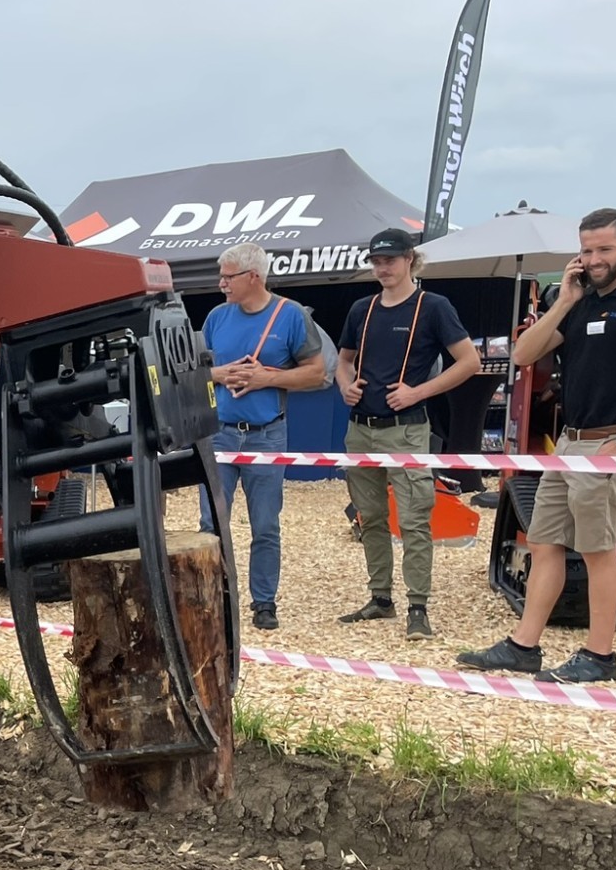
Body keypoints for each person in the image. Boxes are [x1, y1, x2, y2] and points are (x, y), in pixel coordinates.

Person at [457, 208, 616, 684]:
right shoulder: (576, 301)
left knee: (598, 550)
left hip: (611, 440)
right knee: (544, 540)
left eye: (604, 249)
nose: (595, 258)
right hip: (570, 441)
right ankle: (524, 645)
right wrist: (561, 301)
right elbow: (521, 354)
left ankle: (600, 656)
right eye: (587, 250)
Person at [335, 228, 482, 639]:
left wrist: (419, 391)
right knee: (371, 517)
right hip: (361, 428)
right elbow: (342, 362)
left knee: (415, 519)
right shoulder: (361, 309)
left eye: (391, 260)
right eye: (377, 261)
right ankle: (380, 597)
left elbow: (468, 362)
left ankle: (418, 605)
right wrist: (345, 386)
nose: (383, 267)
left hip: (407, 430)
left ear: (410, 260)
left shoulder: (433, 306)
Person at [200, 242, 329, 631]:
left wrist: (267, 379)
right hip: (219, 435)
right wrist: (219, 375)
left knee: (266, 525)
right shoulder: (216, 317)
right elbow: (193, 373)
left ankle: (264, 603)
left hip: (266, 435)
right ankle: (213, 599)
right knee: (210, 524)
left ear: (253, 277)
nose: (221, 283)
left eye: (228, 276)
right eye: (221, 276)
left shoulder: (290, 316)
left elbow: (316, 374)